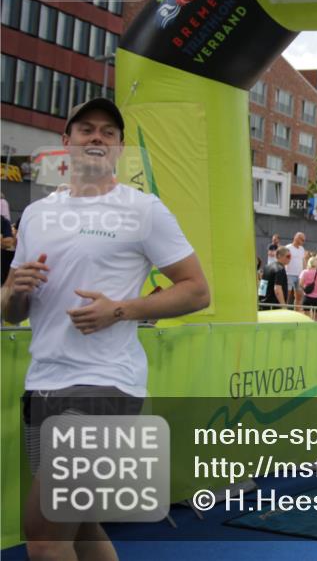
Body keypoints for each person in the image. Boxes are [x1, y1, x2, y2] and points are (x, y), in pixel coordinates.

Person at [1, 97, 211, 561]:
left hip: (104, 384)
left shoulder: (143, 209)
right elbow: (11, 312)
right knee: (80, 526)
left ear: (118, 149)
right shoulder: (37, 214)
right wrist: (13, 287)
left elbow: (197, 290)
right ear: (66, 142)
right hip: (44, 384)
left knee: (42, 533)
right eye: (86, 130)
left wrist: (119, 310)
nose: (97, 138)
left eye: (108, 133)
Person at [285, 232, 307, 312]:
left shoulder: (302, 249)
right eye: (302, 239)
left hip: (299, 275)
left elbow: (303, 261)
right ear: (296, 238)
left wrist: (305, 272)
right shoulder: (288, 247)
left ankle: (296, 313)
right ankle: (284, 312)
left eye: (304, 240)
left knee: (299, 295)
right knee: (287, 295)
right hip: (289, 274)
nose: (303, 241)